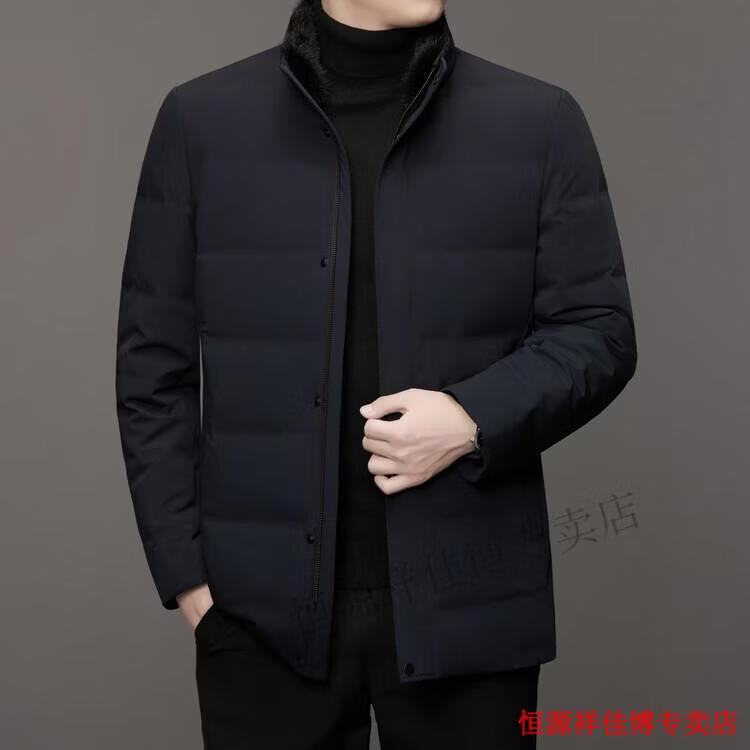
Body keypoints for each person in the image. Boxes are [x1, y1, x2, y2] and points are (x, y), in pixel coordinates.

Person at [115, 0, 637, 747]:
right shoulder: (202, 122)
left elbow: (599, 331)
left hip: (471, 610)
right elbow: (151, 364)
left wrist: (471, 418)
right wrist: (187, 577)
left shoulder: (538, 120)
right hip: (259, 625)